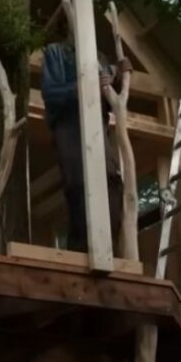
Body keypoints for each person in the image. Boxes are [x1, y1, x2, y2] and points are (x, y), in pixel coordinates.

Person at [40, 37, 130, 252]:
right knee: (80, 188)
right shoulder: (55, 51)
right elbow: (51, 94)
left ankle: (109, 252)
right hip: (69, 126)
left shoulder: (99, 58)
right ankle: (80, 253)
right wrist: (85, 87)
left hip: (98, 129)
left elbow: (110, 98)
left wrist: (119, 76)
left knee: (112, 185)